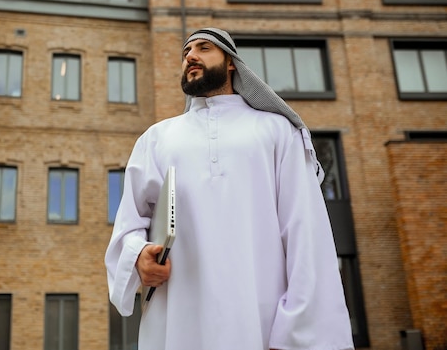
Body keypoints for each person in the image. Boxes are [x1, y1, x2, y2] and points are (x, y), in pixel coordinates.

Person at [105, 27, 354, 350]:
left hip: (263, 324)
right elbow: (129, 222)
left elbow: (306, 232)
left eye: (203, 48)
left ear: (232, 62)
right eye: (186, 52)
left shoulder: (277, 131)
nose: (190, 56)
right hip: (177, 319)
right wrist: (138, 256)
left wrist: (296, 331)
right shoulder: (156, 138)